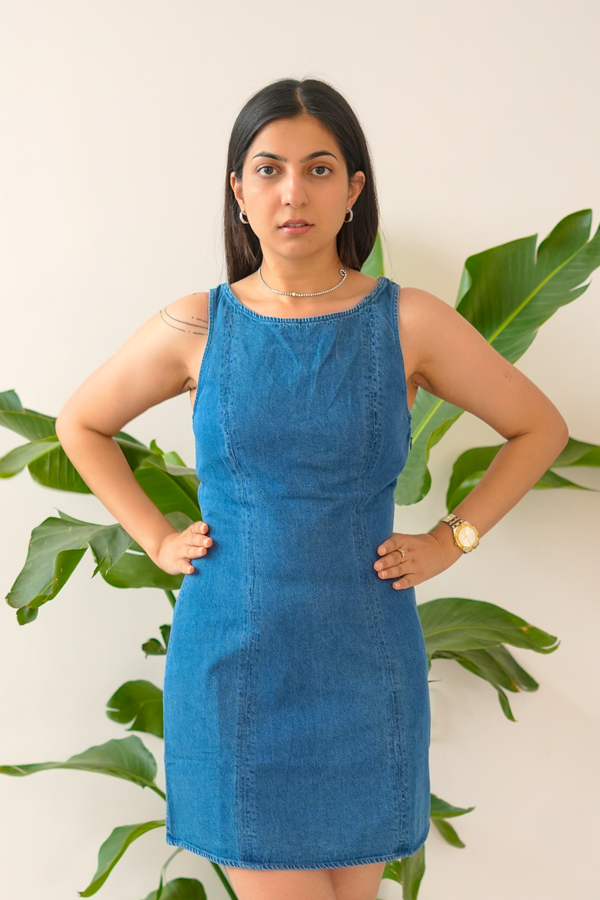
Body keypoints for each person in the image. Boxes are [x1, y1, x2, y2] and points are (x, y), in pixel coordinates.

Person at [55, 77, 569, 900]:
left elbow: (537, 426)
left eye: (320, 169)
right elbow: (80, 423)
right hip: (235, 665)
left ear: (354, 189)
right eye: (268, 169)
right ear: (238, 190)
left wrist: (451, 541)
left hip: (365, 665)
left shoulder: (409, 322)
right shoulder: (198, 324)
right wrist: (156, 537)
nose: (293, 192)